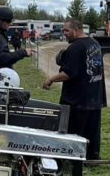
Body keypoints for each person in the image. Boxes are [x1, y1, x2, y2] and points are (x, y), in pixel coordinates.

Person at [43, 18, 105, 160]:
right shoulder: (95, 44)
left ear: (76, 30)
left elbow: (69, 73)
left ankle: (74, 157)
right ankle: (92, 156)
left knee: (74, 132)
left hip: (77, 100)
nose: (64, 33)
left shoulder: (76, 47)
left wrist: (51, 79)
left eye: (66, 30)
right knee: (92, 131)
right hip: (94, 97)